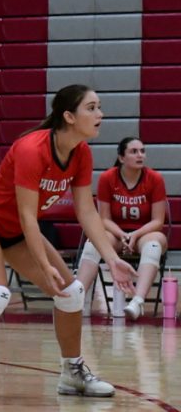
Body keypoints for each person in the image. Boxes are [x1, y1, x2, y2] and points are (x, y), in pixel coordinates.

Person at [0, 84, 137, 407]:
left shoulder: (81, 152)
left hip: (17, 231)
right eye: (92, 108)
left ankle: (72, 372)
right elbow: (28, 216)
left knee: (71, 292)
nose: (100, 114)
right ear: (69, 116)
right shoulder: (32, 149)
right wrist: (44, 266)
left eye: (99, 107)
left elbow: (87, 212)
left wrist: (112, 259)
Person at [76, 137, 167, 320]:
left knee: (153, 245)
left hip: (145, 233)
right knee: (93, 242)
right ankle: (77, 296)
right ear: (121, 157)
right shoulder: (107, 178)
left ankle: (137, 302)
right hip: (115, 233)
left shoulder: (155, 178)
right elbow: (103, 219)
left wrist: (135, 235)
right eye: (134, 151)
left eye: (142, 151)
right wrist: (123, 235)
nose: (140, 155)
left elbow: (158, 221)